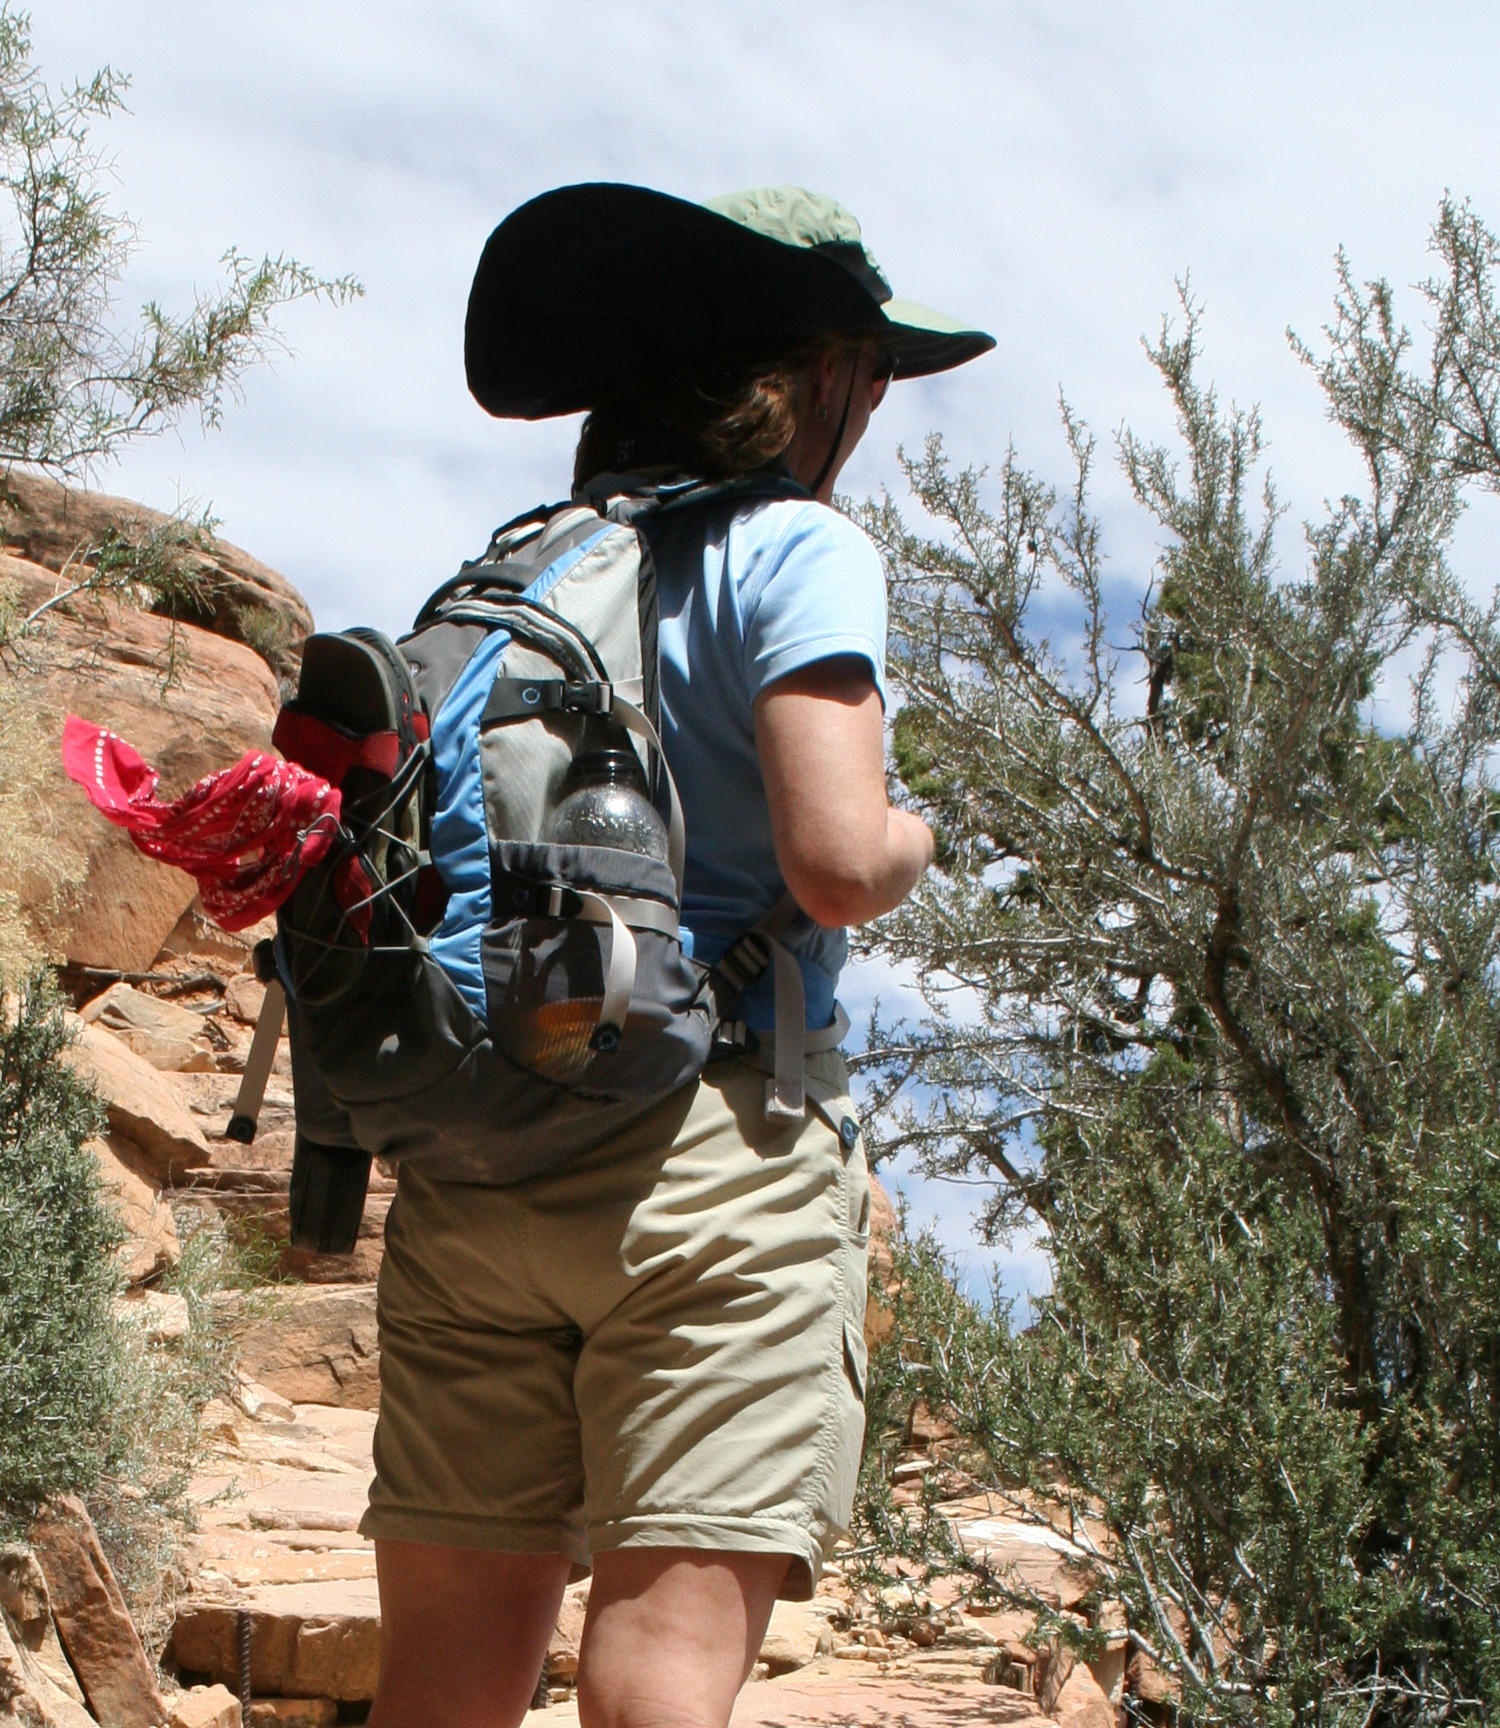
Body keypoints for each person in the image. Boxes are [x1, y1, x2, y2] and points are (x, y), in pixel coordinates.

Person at [357, 185, 994, 1728]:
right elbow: (835, 863)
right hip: (703, 1156)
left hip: (477, 1157)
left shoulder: (510, 576)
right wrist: (924, 832)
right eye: (872, 371)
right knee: (664, 1671)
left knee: (440, 1676)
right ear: (817, 373)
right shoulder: (793, 546)